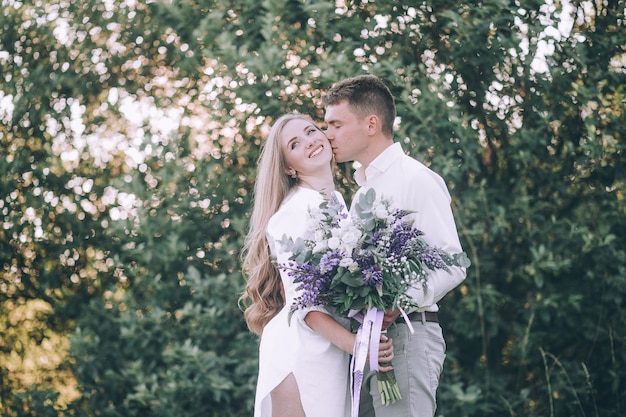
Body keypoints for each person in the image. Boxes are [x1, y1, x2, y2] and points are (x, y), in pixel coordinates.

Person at [322, 75, 468, 417]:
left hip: (408, 335)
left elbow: (452, 263)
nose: (328, 134)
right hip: (371, 343)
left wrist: (395, 301)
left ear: (371, 123)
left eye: (336, 124)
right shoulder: (360, 196)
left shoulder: (415, 179)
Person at [240, 113, 394, 417]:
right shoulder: (294, 211)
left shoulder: (336, 201)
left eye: (311, 131)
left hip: (329, 354)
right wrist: (358, 346)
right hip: (299, 355)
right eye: (296, 143)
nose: (310, 140)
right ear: (288, 166)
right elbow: (304, 305)